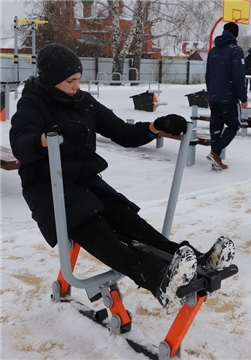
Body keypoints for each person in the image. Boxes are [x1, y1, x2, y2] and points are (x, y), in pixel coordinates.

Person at [9, 43, 236, 315]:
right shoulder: (32, 103)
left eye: (79, 80)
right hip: (49, 188)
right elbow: (21, 145)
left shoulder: (83, 102)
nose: (76, 86)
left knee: (131, 222)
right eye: (70, 81)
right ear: (51, 81)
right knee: (103, 235)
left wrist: (156, 128)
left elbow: (122, 132)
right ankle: (159, 280)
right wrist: (50, 137)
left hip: (86, 182)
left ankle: (196, 260)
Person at [205, 22, 248, 171]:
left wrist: (210, 94)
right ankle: (215, 153)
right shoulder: (235, 50)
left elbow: (208, 75)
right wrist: (243, 97)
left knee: (216, 127)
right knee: (234, 125)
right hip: (229, 97)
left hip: (215, 96)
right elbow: (238, 75)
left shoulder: (213, 51)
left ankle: (215, 161)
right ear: (235, 34)